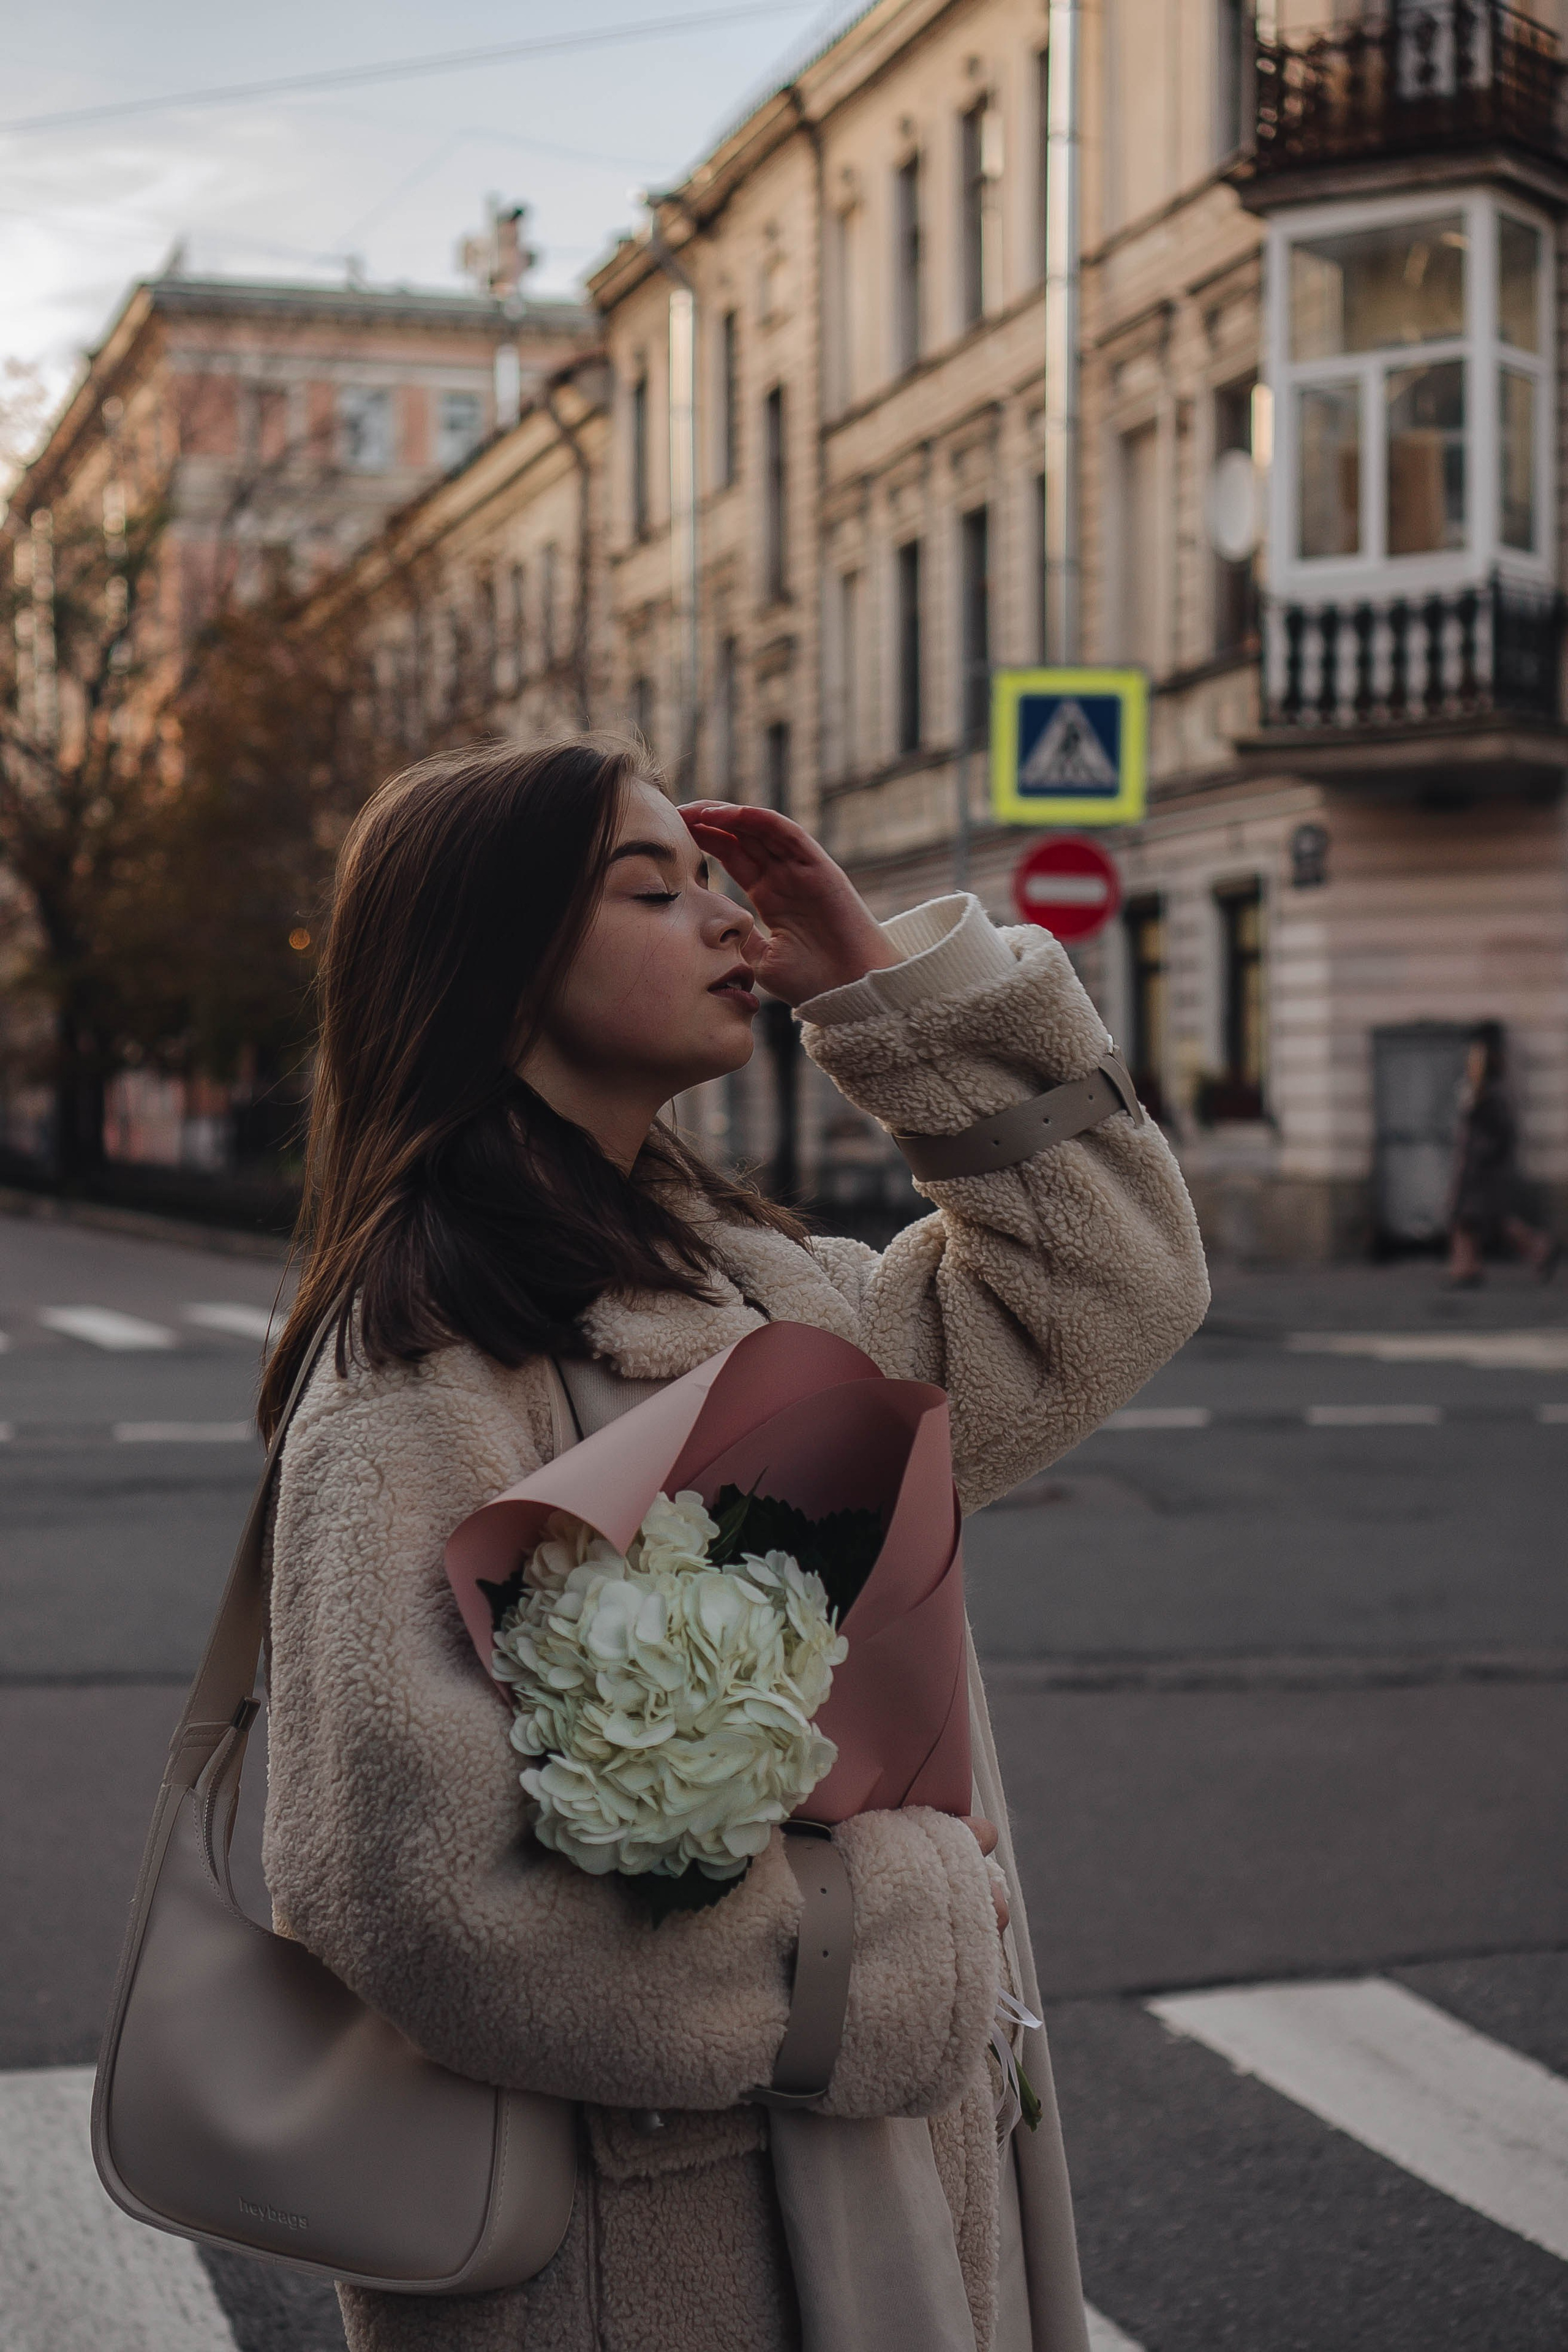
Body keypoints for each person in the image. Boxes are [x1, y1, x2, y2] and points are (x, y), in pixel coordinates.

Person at [258, 736, 1209, 2352]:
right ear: (492, 963)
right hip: (648, 2255)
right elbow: (416, 1898)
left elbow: (1111, 1292)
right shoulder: (421, 1366)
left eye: (715, 880)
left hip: (872, 2189)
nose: (729, 923)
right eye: (655, 887)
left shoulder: (767, 1294)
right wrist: (893, 1932)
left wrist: (896, 995)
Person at [1446, 1021, 1560, 1289]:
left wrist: (1478, 1159)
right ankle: (1467, 1267)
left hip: (1483, 1172)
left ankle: (1536, 1247)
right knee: (1475, 1221)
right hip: (1480, 1170)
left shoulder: (1492, 1093)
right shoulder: (1481, 1090)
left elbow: (1498, 1134)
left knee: (1479, 1220)